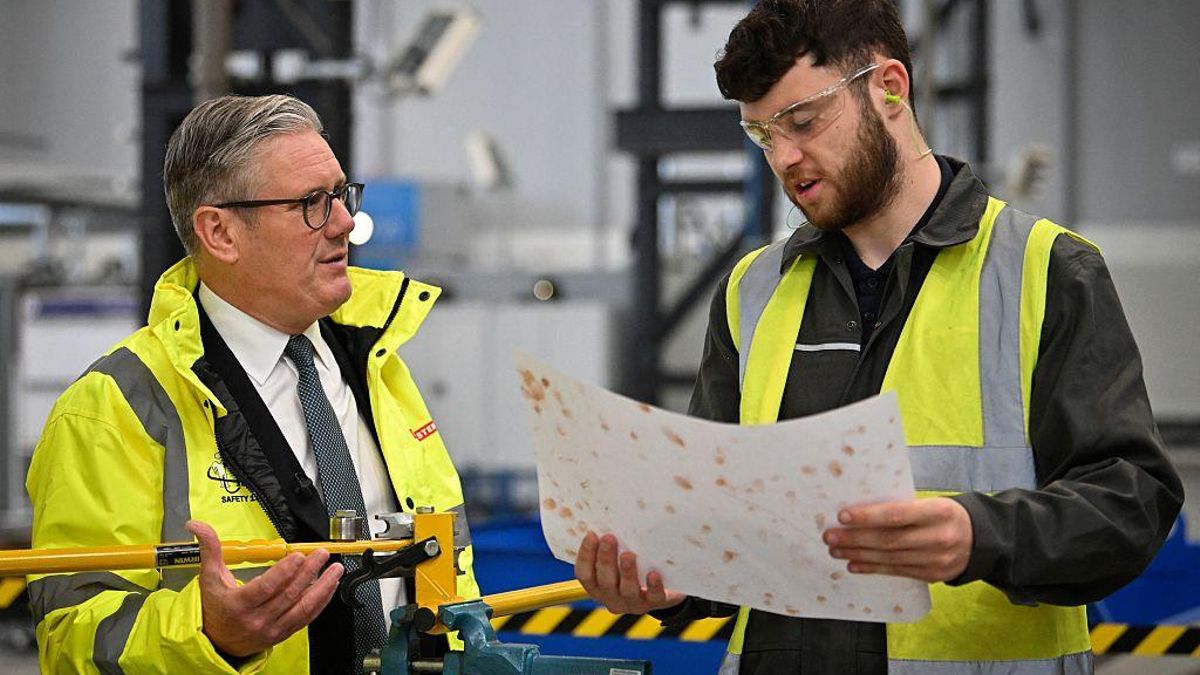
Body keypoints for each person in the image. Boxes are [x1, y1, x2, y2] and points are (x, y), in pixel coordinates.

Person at [575, 1, 1184, 674]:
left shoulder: (1047, 270)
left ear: (890, 86)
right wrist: (667, 580)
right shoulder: (753, 290)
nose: (784, 156)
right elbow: (719, 531)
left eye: (802, 121)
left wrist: (980, 533)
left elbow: (1132, 500)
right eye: (760, 135)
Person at [26, 94, 480, 674]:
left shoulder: (379, 367)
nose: (344, 222)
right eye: (311, 203)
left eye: (341, 194)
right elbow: (72, 643)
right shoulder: (112, 408)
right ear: (219, 233)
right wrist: (211, 636)